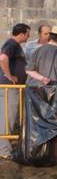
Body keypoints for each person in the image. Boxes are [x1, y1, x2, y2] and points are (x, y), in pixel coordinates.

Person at [0, 23, 30, 160]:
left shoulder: (14, 45)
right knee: (8, 118)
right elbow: (3, 58)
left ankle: (5, 147)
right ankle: (4, 150)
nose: (29, 36)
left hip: (11, 88)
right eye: (28, 34)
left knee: (9, 118)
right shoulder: (11, 44)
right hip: (9, 88)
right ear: (22, 34)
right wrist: (9, 75)